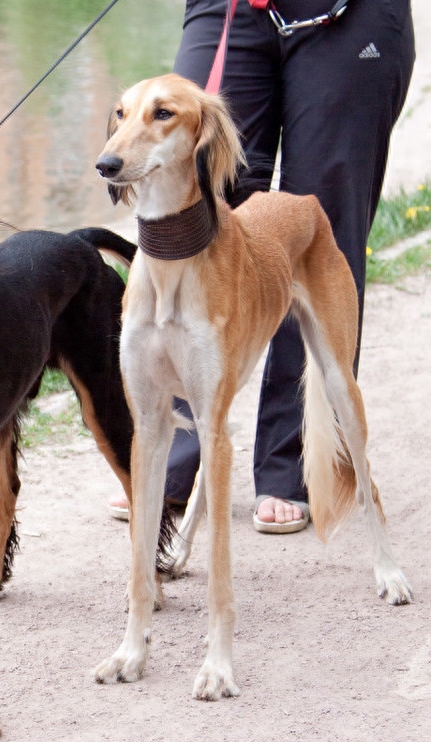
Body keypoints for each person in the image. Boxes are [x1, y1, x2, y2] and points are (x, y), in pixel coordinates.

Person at [109, 0, 416, 532]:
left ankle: (289, 463)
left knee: (320, 224)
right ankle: (179, 450)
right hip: (232, 8)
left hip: (350, 15)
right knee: (196, 192)